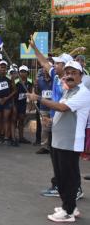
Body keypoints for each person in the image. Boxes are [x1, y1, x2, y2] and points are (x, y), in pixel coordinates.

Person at [27, 61, 90, 222]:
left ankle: (67, 211)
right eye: (67, 72)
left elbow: (62, 108)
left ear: (81, 76)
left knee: (68, 177)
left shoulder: (83, 93)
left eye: (74, 73)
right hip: (59, 140)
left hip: (70, 142)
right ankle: (70, 206)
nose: (69, 75)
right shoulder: (68, 91)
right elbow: (62, 113)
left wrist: (38, 97)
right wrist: (51, 122)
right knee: (63, 176)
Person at [29, 37, 83, 200]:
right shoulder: (55, 75)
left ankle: (75, 189)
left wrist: (39, 100)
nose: (54, 65)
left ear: (65, 66)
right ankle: (59, 185)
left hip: (65, 127)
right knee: (57, 160)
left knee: (68, 161)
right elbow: (44, 63)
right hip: (54, 123)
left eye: (58, 63)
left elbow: (64, 106)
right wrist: (34, 48)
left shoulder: (67, 84)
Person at [0, 60, 17, 145]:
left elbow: (15, 90)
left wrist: (7, 98)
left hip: (7, 101)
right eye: (1, 67)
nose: (3, 69)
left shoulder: (10, 78)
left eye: (4, 67)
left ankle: (6, 137)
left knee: (6, 119)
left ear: (6, 68)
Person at [14, 65, 33, 144]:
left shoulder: (30, 81)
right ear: (19, 73)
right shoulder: (15, 81)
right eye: (21, 72)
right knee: (14, 120)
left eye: (24, 72)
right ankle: (13, 137)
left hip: (23, 103)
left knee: (21, 120)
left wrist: (31, 103)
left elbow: (30, 92)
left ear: (27, 73)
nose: (23, 73)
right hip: (15, 103)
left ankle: (21, 137)